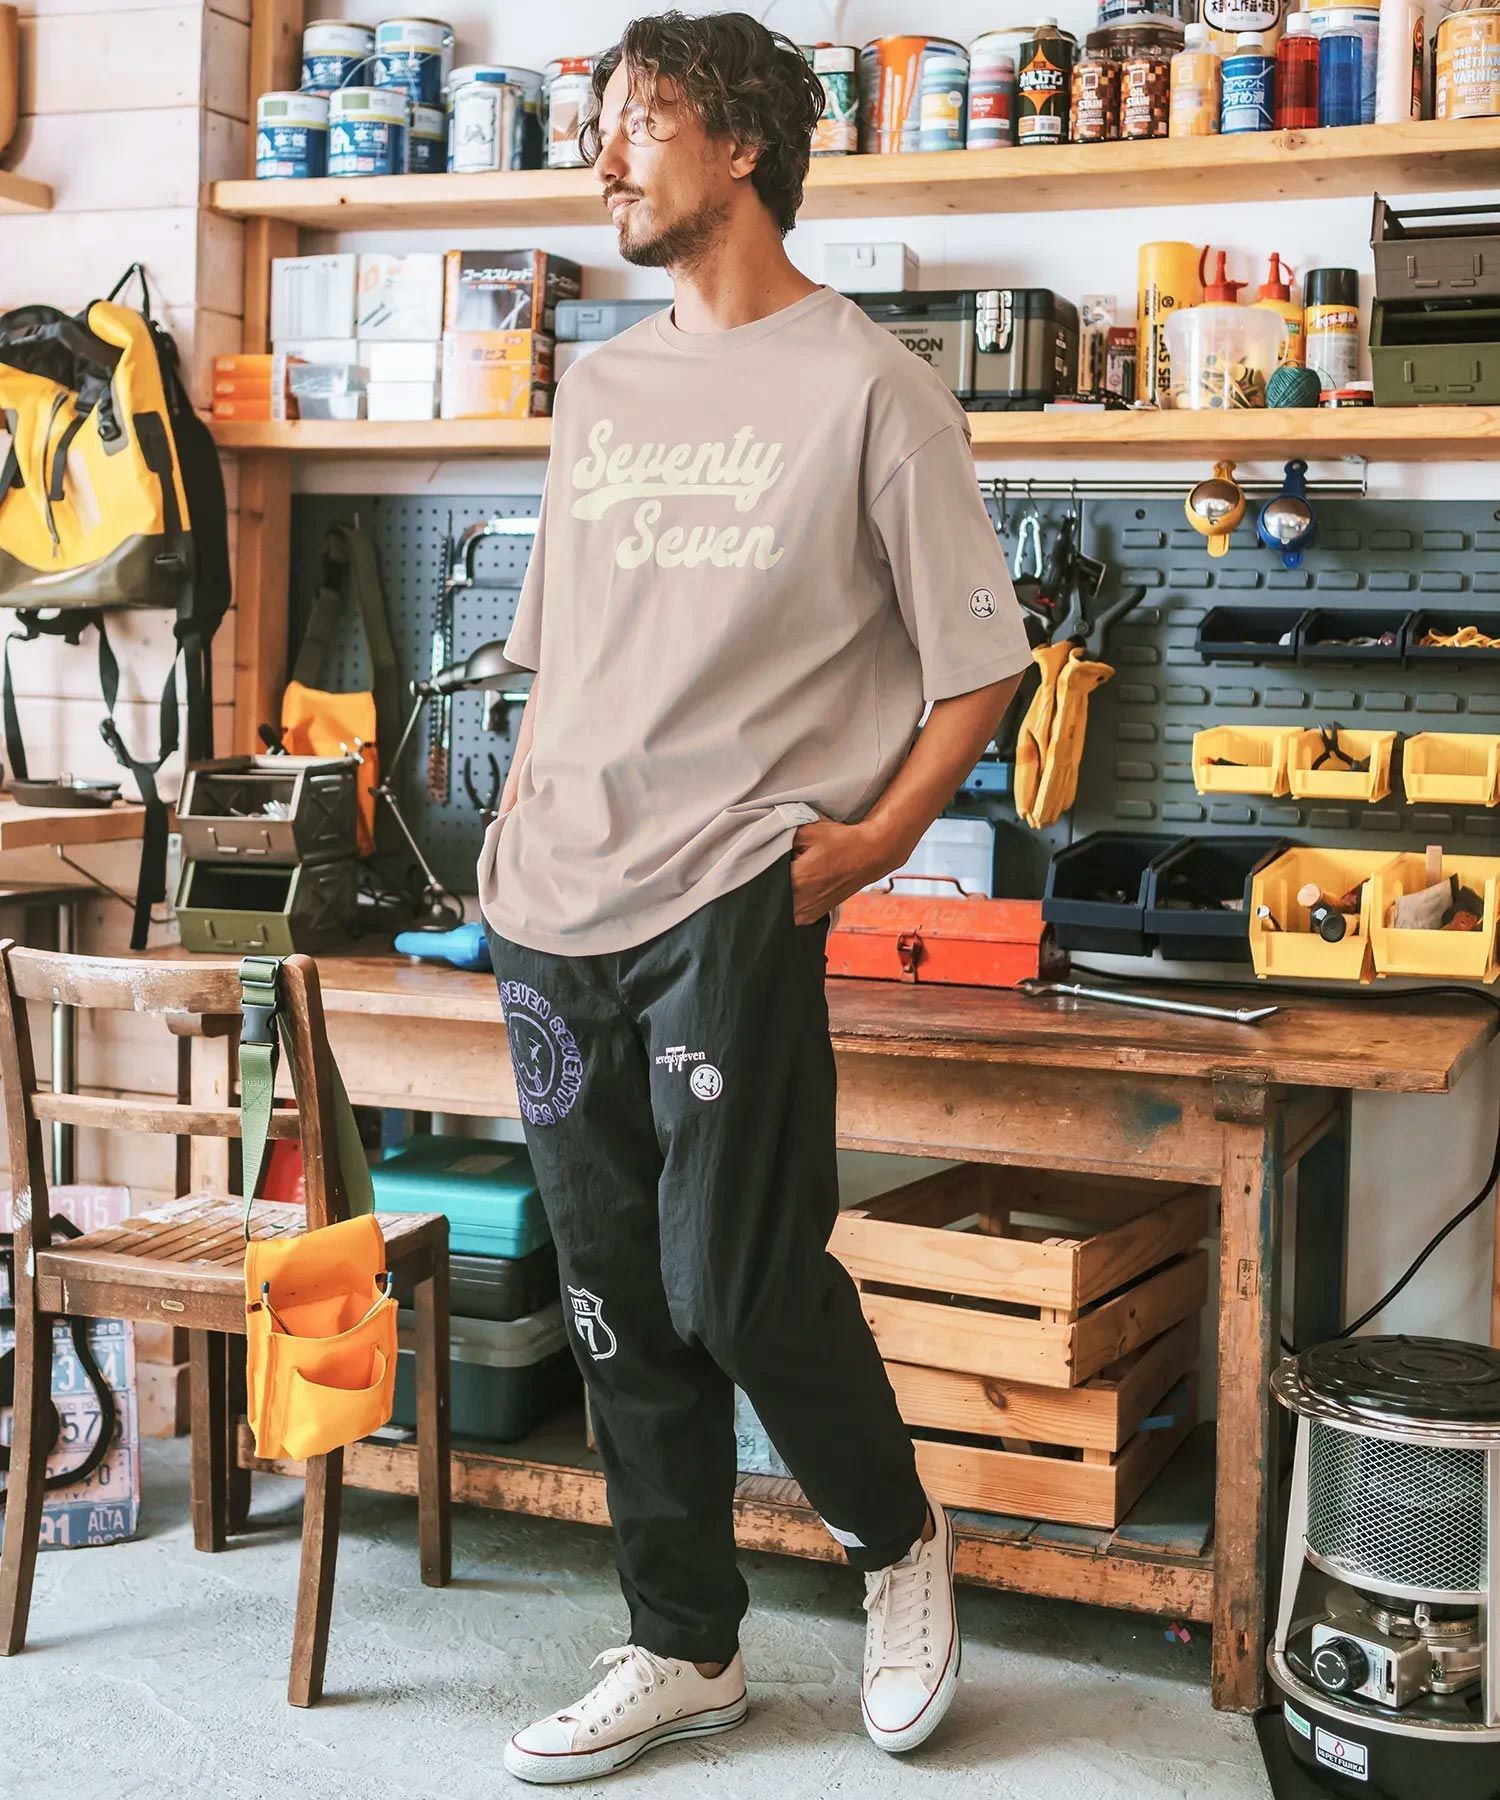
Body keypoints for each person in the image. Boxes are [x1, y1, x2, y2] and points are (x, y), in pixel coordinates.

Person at [478, 10, 1031, 1784]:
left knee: (734, 1283)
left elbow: (982, 669)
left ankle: (897, 1545)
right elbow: (560, 648)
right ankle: (684, 1646)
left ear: (740, 142)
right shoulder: (601, 386)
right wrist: (517, 820)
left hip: (732, 888)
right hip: (551, 898)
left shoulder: (872, 387)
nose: (605, 158)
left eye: (638, 122)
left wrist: (869, 847)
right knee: (613, 1297)